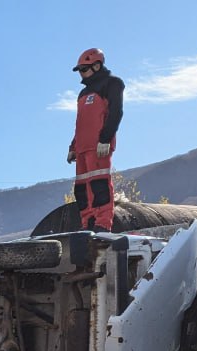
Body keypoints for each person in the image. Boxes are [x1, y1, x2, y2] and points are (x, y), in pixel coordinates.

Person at [68, 47, 124, 232]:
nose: (81, 75)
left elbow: (115, 113)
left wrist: (105, 139)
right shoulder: (83, 95)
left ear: (97, 66)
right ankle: (87, 223)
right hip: (82, 147)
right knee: (82, 189)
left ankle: (102, 223)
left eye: (84, 69)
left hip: (99, 145)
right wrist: (73, 146)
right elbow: (81, 123)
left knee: (99, 183)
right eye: (80, 71)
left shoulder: (112, 84)